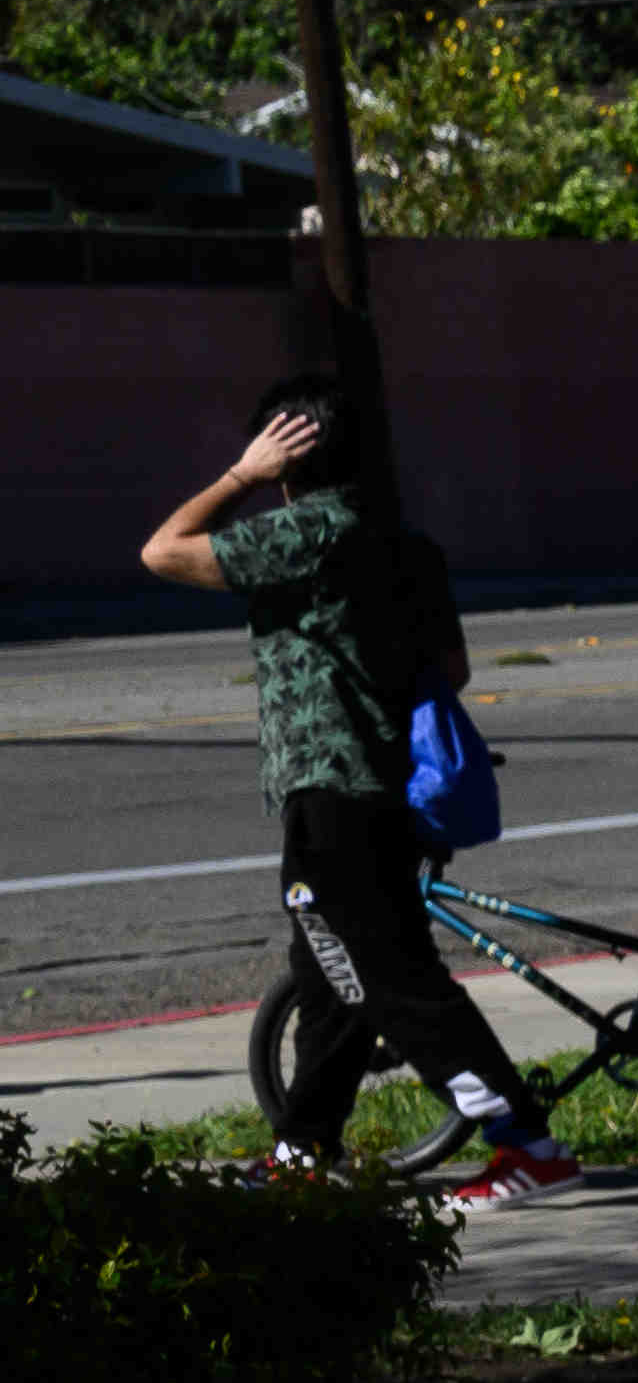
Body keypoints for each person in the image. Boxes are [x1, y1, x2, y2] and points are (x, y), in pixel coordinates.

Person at [141, 381, 556, 1206]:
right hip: (395, 788)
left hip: (331, 790)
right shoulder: (408, 545)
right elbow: (455, 670)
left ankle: (530, 1144)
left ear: (287, 452)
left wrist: (239, 476)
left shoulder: (303, 530)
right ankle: (304, 1150)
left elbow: (163, 550)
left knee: (391, 978)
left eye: (271, 448)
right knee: (330, 974)